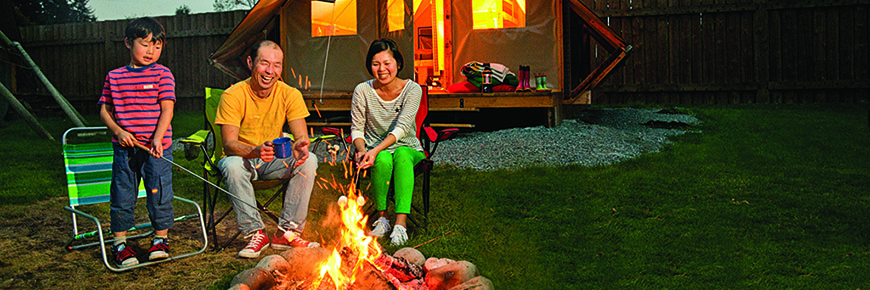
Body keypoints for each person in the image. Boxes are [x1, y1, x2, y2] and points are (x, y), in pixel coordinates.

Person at [215, 40, 320, 259]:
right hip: (243, 159)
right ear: (250, 62)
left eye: (277, 65)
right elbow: (229, 144)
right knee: (231, 165)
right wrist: (255, 151)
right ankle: (255, 232)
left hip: (273, 161)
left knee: (309, 160)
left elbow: (301, 136)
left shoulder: (289, 94)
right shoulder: (233, 95)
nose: (270, 71)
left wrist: (301, 146)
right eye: (264, 64)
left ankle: (287, 232)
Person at [98, 17, 175, 268]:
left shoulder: (163, 74)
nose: (151, 51)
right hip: (125, 150)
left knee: (159, 193)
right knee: (123, 194)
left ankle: (160, 239)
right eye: (145, 45)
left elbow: (167, 110)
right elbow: (104, 111)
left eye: (157, 46)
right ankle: (120, 244)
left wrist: (157, 139)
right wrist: (119, 132)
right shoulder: (115, 76)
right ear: (128, 43)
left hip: (156, 149)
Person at [350, 38, 425, 246]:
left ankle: (400, 224)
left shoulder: (412, 90)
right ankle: (383, 219)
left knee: (400, 154)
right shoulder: (362, 91)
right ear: (369, 66)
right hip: (375, 149)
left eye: (387, 63)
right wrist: (364, 150)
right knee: (382, 158)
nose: (382, 69)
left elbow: (401, 129)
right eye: (376, 64)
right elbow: (357, 128)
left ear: (398, 64)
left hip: (408, 146)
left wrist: (373, 150)